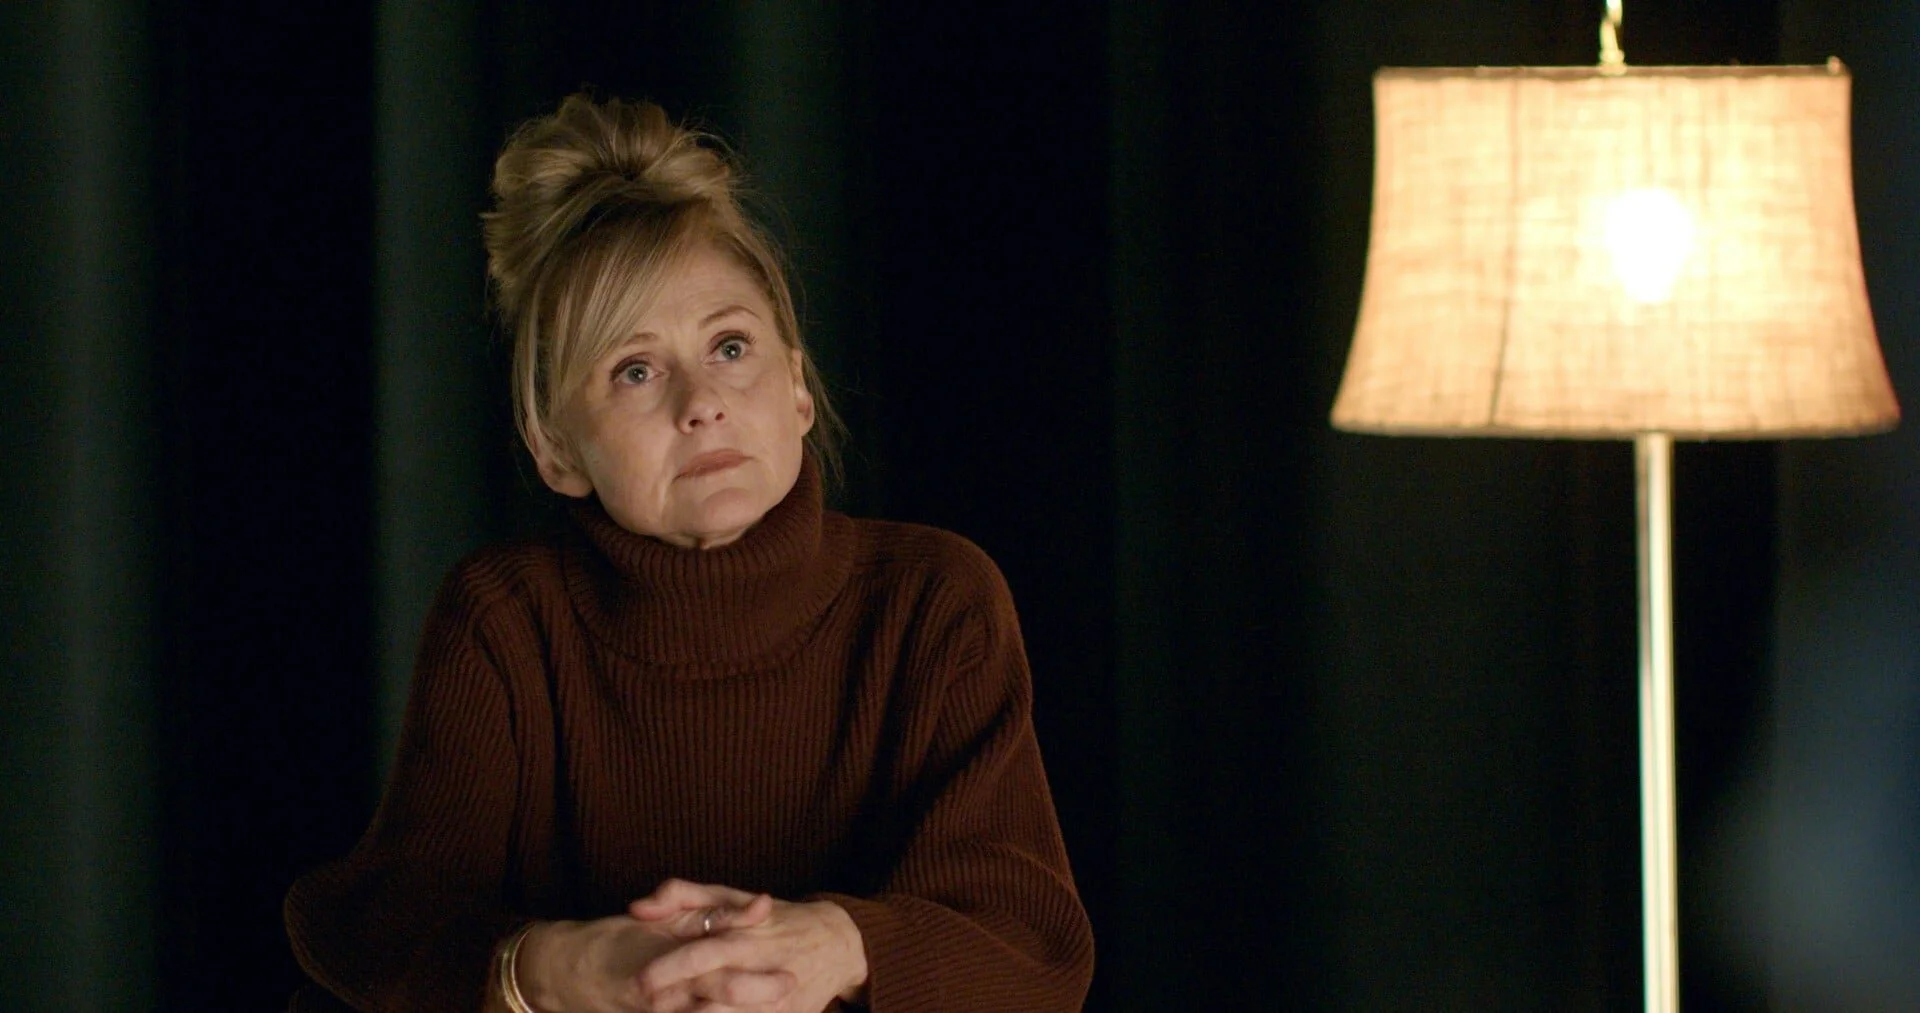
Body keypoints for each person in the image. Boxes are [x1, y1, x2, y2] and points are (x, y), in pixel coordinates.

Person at [282, 93, 1094, 1013]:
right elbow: (379, 919)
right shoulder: (505, 618)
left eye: (731, 345)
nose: (700, 400)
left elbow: (1031, 947)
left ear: (795, 386)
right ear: (555, 447)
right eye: (636, 369)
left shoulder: (934, 598)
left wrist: (836, 944)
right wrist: (558, 966)